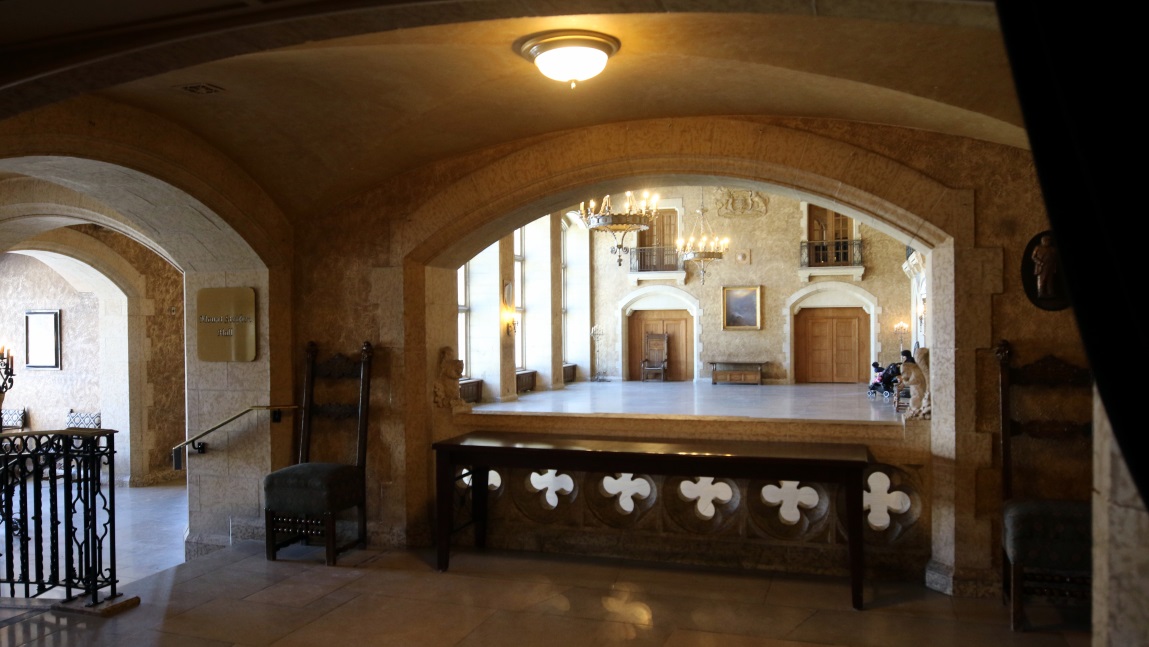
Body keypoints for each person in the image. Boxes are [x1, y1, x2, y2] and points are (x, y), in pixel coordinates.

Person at [1031, 234, 1059, 298]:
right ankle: (1041, 293)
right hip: (1041, 267)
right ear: (1042, 241)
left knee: (1050, 281)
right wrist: (1040, 262)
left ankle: (1050, 293)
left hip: (1050, 266)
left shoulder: (1052, 249)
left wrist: (1054, 266)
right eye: (1045, 240)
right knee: (1041, 280)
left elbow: (1055, 258)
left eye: (1048, 240)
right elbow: (1033, 257)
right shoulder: (1037, 248)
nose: (1047, 242)